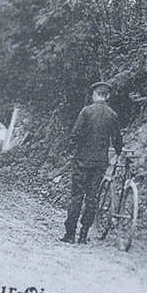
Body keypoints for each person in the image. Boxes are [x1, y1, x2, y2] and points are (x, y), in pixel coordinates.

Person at [61, 81, 123, 244]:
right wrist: (118, 152)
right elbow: (117, 140)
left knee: (76, 196)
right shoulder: (112, 115)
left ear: (95, 95)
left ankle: (69, 234)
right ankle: (83, 235)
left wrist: (73, 149)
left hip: (82, 160)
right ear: (107, 96)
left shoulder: (86, 111)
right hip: (99, 163)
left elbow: (75, 134)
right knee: (92, 197)